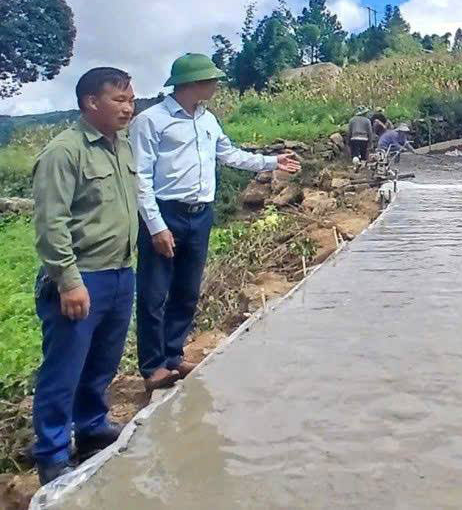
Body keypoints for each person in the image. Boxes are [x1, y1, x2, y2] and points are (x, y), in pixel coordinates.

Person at [130, 53, 301, 392]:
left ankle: (173, 354)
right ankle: (152, 367)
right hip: (166, 212)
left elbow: (230, 154)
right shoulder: (151, 121)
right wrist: (156, 226)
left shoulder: (207, 119)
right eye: (211, 80)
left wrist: (271, 161)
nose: (217, 85)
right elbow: (140, 178)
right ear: (192, 83)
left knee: (187, 289)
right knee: (154, 292)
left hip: (200, 214)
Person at [31, 67, 138, 484]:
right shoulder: (64, 152)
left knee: (101, 363)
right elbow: (50, 224)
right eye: (119, 100)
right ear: (91, 102)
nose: (129, 108)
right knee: (64, 369)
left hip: (120, 273)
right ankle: (53, 453)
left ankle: (92, 428)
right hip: (82, 277)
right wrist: (68, 281)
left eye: (131, 100)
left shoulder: (121, 145)